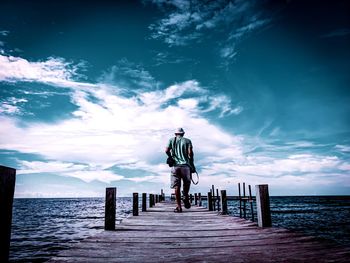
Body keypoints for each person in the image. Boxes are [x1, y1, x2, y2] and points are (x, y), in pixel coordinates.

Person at [165, 128, 194, 213]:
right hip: (185, 166)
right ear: (183, 134)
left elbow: (166, 150)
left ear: (175, 134)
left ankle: (179, 207)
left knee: (177, 187)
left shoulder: (171, 140)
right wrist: (191, 163)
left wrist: (170, 156)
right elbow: (190, 153)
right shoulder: (188, 141)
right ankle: (185, 195)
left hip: (175, 166)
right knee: (186, 183)